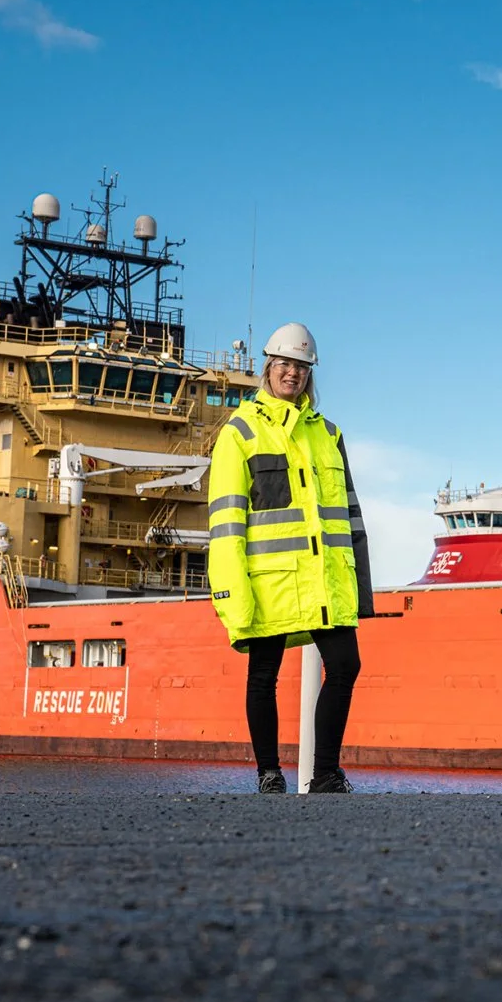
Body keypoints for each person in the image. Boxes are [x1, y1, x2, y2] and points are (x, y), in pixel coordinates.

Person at [207, 323, 374, 794]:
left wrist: (358, 585)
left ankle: (324, 773)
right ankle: (269, 773)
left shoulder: (329, 435)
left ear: (309, 375)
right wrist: (233, 595)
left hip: (324, 581)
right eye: (284, 364)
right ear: (268, 369)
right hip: (269, 582)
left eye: (301, 367)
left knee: (345, 666)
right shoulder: (238, 433)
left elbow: (350, 518)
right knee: (263, 675)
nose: (292, 374)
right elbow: (225, 525)